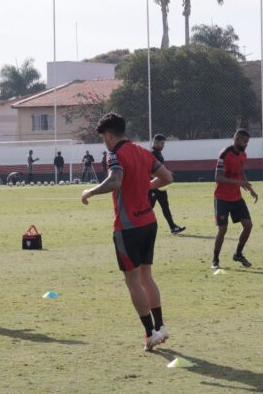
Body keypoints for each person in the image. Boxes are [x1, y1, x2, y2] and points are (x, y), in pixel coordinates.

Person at [81, 113, 174, 351]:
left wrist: (90, 191)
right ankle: (160, 327)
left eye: (103, 138)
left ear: (110, 136)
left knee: (132, 280)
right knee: (147, 276)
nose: (104, 142)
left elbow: (115, 181)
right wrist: (146, 186)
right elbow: (167, 178)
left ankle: (149, 333)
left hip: (128, 227)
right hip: (149, 222)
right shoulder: (144, 152)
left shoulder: (115, 155)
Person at [212, 130, 258, 270]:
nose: (246, 144)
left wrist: (250, 188)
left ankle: (238, 254)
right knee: (223, 229)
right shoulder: (225, 154)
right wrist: (239, 182)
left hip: (236, 197)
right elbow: (218, 178)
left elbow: (240, 172)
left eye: (248, 142)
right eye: (244, 141)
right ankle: (215, 259)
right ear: (236, 139)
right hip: (222, 198)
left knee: (248, 225)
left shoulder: (243, 155)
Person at [149, 134, 185, 235]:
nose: (163, 145)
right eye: (162, 143)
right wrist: (158, 178)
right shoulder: (152, 153)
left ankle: (173, 227)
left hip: (161, 185)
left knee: (165, 206)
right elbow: (149, 170)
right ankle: (139, 226)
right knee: (148, 208)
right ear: (156, 142)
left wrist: (167, 173)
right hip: (154, 186)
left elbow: (159, 169)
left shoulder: (158, 153)